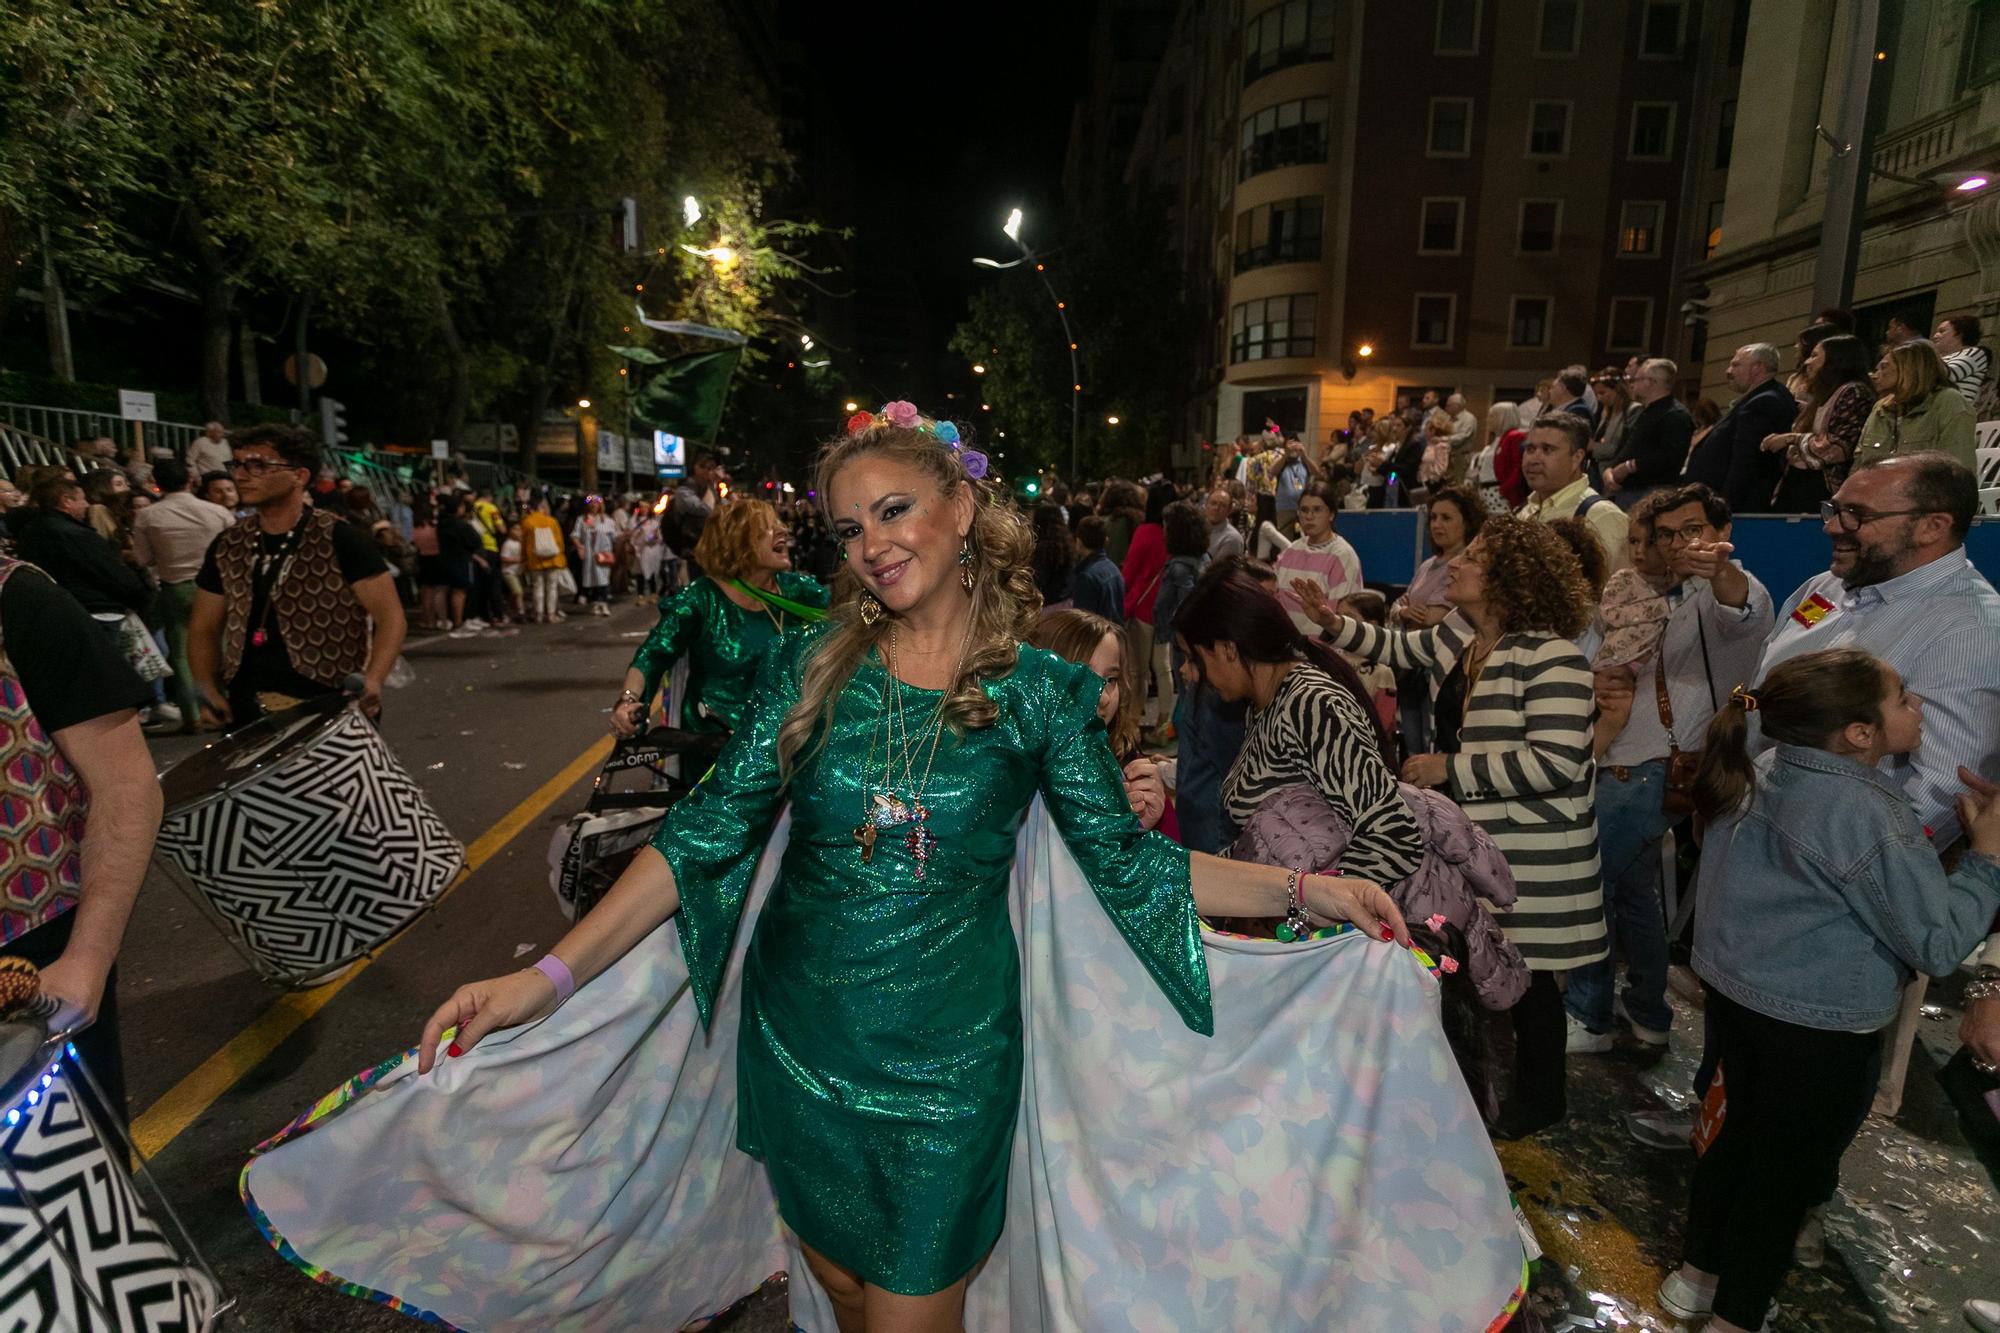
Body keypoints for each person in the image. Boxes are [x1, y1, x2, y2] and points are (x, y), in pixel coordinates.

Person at [249, 403, 1477, 1333]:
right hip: (796, 1043)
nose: (872, 544)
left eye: (893, 510)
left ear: (957, 511)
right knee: (831, 1294)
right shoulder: (811, 669)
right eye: (848, 527)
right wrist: (546, 983)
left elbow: (1129, 869)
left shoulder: (1044, 691)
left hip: (948, 1070)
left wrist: (1310, 892)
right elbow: (703, 835)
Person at [1656, 650, 2000, 1333]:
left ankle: (1696, 1278)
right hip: (1820, 1032)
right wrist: (1988, 859)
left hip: (1739, 1003)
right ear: (1859, 732)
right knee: (1783, 1184)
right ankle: (1736, 1317)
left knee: (1733, 1141)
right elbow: (1935, 941)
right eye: (1903, 698)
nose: (1919, 708)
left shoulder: (1759, 769)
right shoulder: (1870, 812)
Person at [1306, 517, 1604, 1139]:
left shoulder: (1552, 655)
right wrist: (1335, 626)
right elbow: (1400, 650)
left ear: (1506, 578)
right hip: (1496, 843)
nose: (1455, 566)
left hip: (1539, 851)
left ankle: (1541, 1099)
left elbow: (1559, 761)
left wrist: (1452, 768)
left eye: (1471, 558)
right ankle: (1503, 1091)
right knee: (1506, 972)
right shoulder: (1468, 637)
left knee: (1534, 983)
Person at [1570, 485, 1773, 1054]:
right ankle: (1648, 1015)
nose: (1679, 543)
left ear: (1721, 532)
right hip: (1627, 765)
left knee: (1588, 889)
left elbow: (1740, 603)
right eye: (1667, 534)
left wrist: (1718, 570)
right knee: (1636, 902)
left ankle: (1586, 1015)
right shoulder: (1660, 597)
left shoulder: (1728, 591)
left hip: (1650, 770)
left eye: (1694, 530)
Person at [0, 556, 161, 1132]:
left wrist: (88, 959)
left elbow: (125, 784)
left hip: (27, 960)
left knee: (60, 1182)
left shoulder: (19, 599)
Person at [1175, 567, 1419, 884]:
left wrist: (1309, 900)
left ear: (1228, 650)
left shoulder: (1311, 704)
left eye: (1192, 658)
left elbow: (1395, 836)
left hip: (1332, 926)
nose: (1186, 671)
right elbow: (1269, 847)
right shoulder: (1265, 703)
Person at [188, 425, 404, 728]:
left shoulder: (341, 538)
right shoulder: (228, 544)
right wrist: (206, 688)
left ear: (299, 476)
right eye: (236, 464)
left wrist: (374, 679)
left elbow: (390, 617)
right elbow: (204, 627)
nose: (241, 475)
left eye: (258, 465)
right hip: (246, 704)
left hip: (332, 699)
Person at [612, 498, 828, 739]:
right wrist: (628, 701)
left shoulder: (800, 591)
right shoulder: (701, 599)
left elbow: (854, 617)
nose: (784, 530)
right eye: (767, 526)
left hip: (789, 741)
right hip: (714, 746)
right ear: (738, 540)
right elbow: (652, 655)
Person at [1026, 609, 1170, 833]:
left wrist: (1143, 827)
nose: (1103, 697)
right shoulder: (1008, 783)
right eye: (1082, 678)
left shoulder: (1130, 768)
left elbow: (1175, 862)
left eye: (1110, 679)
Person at [131, 459, 232, 734]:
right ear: (191, 481)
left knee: (183, 655)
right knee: (222, 648)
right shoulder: (217, 511)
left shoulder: (148, 516)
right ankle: (225, 708)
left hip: (176, 586)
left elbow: (143, 558)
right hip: (217, 586)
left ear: (157, 483)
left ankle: (193, 715)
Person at [1389, 486, 1483, 754]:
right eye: (1433, 517)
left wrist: (1410, 612)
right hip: (1411, 669)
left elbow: (1439, 617)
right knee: (1412, 748)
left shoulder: (1469, 568)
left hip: (1443, 671)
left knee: (1435, 747)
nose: (1437, 524)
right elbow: (1399, 606)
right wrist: (1404, 613)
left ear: (1467, 521)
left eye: (1447, 518)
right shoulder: (1427, 565)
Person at [1765, 332, 1875, 513]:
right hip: (1797, 486)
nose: (1807, 362)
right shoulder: (1822, 396)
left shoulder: (1854, 392)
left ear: (1835, 361)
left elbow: (1838, 447)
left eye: (1815, 355)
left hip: (1821, 492)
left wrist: (1791, 439)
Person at [1681, 344, 1797, 515]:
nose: (1729, 371)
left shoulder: (1765, 401)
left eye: (1736, 365)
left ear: (1757, 368)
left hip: (1737, 507)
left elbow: (1746, 461)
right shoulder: (1760, 398)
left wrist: (1725, 505)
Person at [1517, 413, 1630, 573]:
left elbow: (1617, 591)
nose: (1534, 459)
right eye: (1530, 449)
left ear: (1577, 458)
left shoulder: (1601, 516)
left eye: (1547, 450)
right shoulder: (1523, 512)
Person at [1853, 339, 1977, 471]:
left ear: (1908, 369)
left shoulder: (1949, 402)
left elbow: (1959, 472)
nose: (1875, 375)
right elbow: (1859, 465)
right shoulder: (1881, 407)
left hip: (1923, 490)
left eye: (1884, 367)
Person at [1258, 481, 1362, 636]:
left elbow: (1344, 618)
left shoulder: (1343, 556)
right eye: (1304, 510)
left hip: (1323, 651)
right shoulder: (1292, 550)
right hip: (1288, 646)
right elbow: (1275, 598)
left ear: (1331, 514)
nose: (1309, 516)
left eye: (1317, 510)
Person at [1147, 500, 1209, 744]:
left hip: (1184, 642)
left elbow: (1187, 602)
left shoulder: (1180, 567)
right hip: (1192, 639)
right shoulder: (1202, 558)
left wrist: (1175, 631)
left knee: (1188, 694)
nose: (1163, 531)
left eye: (1166, 526)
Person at [1603, 357, 1695, 511]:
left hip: (1651, 494)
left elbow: (1670, 457)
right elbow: (1628, 447)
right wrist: (1609, 471)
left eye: (1637, 379)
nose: (1632, 383)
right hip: (1629, 492)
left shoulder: (1675, 415)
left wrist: (1628, 467)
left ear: (1651, 382)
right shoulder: (1646, 412)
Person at [436, 494, 487, 633]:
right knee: (459, 592)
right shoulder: (459, 525)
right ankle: (458, 622)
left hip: (445, 559)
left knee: (446, 591)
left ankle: (447, 620)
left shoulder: (441, 524)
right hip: (460, 560)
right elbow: (475, 540)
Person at [1469, 401, 1526, 514]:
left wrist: (1504, 490)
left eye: (1492, 416)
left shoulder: (1514, 436)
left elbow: (1518, 467)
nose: (1488, 420)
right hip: (1485, 492)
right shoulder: (1496, 440)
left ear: (1503, 417)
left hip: (1500, 495)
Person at [1067, 513, 1124, 622]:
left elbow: (1082, 622)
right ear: (1105, 540)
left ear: (1079, 541)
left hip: (1096, 637)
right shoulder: (1114, 569)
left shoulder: (1087, 577)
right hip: (1114, 635)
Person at [520, 496, 569, 623]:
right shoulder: (551, 521)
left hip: (535, 560)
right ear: (541, 507)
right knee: (551, 587)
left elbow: (523, 543)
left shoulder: (527, 522)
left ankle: (539, 615)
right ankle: (551, 615)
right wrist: (562, 558)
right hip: (553, 559)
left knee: (537, 587)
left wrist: (524, 560)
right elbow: (560, 542)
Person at [571, 496, 618, 616]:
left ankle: (604, 603)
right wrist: (580, 547)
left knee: (603, 578)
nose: (593, 505)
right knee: (593, 579)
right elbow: (575, 535)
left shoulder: (607, 520)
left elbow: (614, 537)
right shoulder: (582, 519)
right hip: (589, 554)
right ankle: (596, 604)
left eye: (596, 503)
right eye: (591, 503)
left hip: (603, 553)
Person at [1934, 313, 1991, 406]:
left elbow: (1944, 376)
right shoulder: (1940, 357)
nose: (1935, 335)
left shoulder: (1974, 353)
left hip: (1952, 414)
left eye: (1942, 331)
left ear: (1959, 334)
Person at [1028, 502, 1075, 608]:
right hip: (1064, 601)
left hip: (1046, 605)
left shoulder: (1043, 548)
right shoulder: (1066, 543)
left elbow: (1039, 581)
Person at [1272, 436, 1319, 532]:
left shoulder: (1304, 462)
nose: (1293, 449)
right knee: (1284, 538)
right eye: (1290, 445)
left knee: (1306, 536)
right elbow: (1273, 471)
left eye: (1295, 445)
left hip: (1303, 508)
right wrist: (1286, 454)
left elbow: (1317, 472)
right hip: (1284, 508)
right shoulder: (1282, 462)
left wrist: (1304, 455)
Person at [1203, 485, 1243, 562]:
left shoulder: (1232, 538)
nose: (1216, 508)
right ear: (1206, 505)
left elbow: (1219, 571)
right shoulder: (1197, 528)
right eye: (1213, 503)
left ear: (1229, 510)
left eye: (1222, 505)